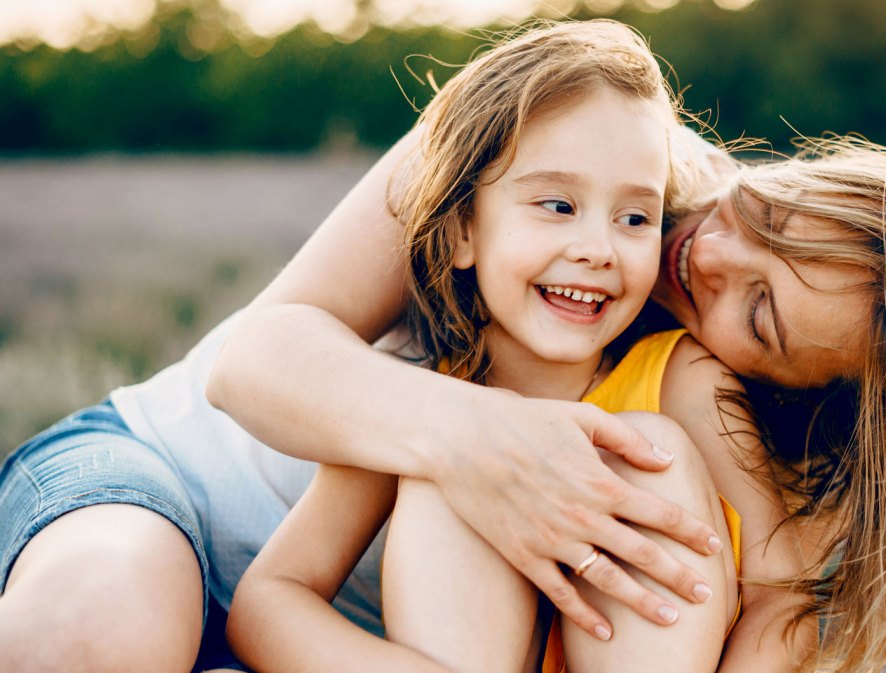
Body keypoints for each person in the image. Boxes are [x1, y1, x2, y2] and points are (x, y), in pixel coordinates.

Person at [227, 19, 806, 673]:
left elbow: (785, 594)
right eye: (558, 205)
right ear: (463, 233)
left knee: (649, 452)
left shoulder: (684, 380)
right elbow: (272, 597)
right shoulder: (410, 406)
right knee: (447, 465)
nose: (597, 248)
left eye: (635, 218)